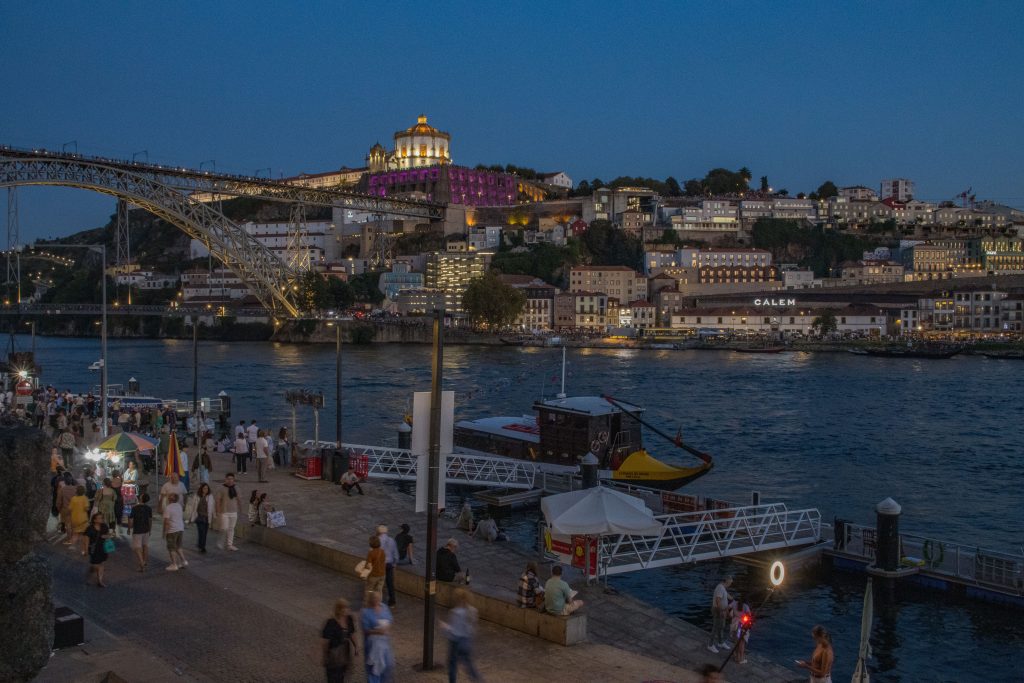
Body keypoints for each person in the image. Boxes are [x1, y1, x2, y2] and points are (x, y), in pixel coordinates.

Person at [440, 588, 482, 683]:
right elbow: (471, 628)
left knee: (452, 665)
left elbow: (454, 630)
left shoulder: (455, 612)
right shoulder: (473, 611)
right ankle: (478, 680)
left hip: (456, 642)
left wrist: (445, 626)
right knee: (469, 665)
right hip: (467, 641)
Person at [359, 591, 395, 683]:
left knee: (387, 665)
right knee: (373, 669)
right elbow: (365, 630)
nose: (377, 600)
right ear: (371, 600)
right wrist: (378, 631)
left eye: (379, 598)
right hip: (372, 646)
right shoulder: (366, 612)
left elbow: (390, 620)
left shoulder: (384, 607)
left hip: (384, 644)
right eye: (375, 599)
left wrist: (387, 627)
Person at [321, 597, 358, 683]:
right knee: (333, 677)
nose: (347, 610)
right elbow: (325, 641)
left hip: (345, 652)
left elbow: (352, 633)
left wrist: (356, 646)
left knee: (342, 674)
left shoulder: (349, 619)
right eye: (344, 608)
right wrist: (325, 656)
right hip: (333, 653)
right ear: (339, 609)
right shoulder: (331, 622)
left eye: (347, 608)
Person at [84, 512, 112, 587]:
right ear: (94, 520)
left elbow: (109, 535)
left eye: (102, 518)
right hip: (94, 548)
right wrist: (86, 549)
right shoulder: (90, 528)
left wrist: (105, 536)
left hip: (103, 548)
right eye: (99, 518)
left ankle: (100, 581)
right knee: (96, 564)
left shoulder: (104, 526)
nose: (101, 519)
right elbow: (86, 539)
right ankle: (93, 568)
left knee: (101, 564)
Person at [707, 575, 733, 653]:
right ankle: (710, 645)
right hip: (718, 611)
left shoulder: (722, 588)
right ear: (727, 581)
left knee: (721, 626)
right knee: (716, 627)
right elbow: (718, 600)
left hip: (722, 611)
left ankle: (720, 642)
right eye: (730, 583)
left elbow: (725, 594)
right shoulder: (720, 588)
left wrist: (732, 598)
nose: (730, 584)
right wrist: (721, 611)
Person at [215, 473, 240, 551]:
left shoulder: (236, 488)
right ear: (225, 479)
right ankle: (220, 541)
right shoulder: (221, 489)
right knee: (224, 528)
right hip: (224, 512)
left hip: (234, 511)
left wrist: (240, 508)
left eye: (231, 479)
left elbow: (238, 499)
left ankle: (230, 544)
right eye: (228, 479)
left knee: (231, 528)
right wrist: (218, 511)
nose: (230, 480)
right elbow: (218, 500)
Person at [129, 492, 153, 571]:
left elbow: (131, 520)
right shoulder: (149, 508)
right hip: (146, 529)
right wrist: (150, 529)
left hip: (137, 530)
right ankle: (145, 561)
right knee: (145, 545)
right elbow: (150, 520)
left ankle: (141, 562)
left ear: (140, 498)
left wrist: (129, 528)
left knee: (136, 548)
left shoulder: (134, 508)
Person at [163, 492, 187, 571]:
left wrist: (165, 532)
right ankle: (184, 561)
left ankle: (174, 564)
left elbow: (166, 522)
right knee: (178, 546)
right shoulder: (179, 506)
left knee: (171, 548)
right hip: (180, 528)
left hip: (172, 530)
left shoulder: (168, 508)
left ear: (169, 499)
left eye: (168, 496)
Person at [377, 525, 398, 607]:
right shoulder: (391, 540)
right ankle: (392, 601)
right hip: (389, 564)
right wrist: (394, 564)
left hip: (380, 564)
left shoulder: (377, 540)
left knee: (379, 584)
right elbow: (395, 554)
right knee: (390, 583)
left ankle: (378, 602)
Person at [190, 483, 214, 553]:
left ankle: (201, 545)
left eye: (206, 488)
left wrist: (214, 515)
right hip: (199, 517)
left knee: (205, 533)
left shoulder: (210, 497)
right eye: (204, 488)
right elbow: (193, 507)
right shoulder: (197, 496)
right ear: (201, 489)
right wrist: (191, 517)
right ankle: (202, 547)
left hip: (207, 517)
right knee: (201, 532)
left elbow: (213, 507)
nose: (205, 490)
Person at [68, 484, 91, 555]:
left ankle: (72, 545)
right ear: (84, 491)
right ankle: (83, 550)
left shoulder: (73, 498)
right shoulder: (85, 498)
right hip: (83, 520)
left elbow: (70, 508)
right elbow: (86, 508)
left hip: (74, 519)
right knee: (84, 535)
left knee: (75, 534)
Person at [731, 596, 752, 664]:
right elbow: (749, 615)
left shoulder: (734, 603)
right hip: (741, 626)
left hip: (734, 625)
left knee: (736, 641)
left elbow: (728, 608)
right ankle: (740, 659)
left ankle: (735, 656)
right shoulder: (745, 606)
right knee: (742, 642)